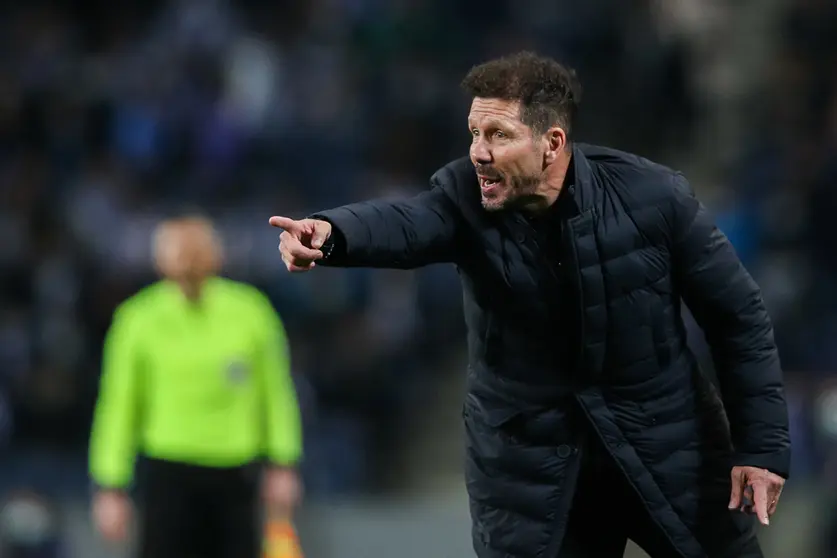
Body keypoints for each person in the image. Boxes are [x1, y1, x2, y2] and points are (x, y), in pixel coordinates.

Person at [270, 52, 791, 558]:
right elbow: (405, 224)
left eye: (498, 135)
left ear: (552, 143)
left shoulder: (653, 197)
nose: (478, 151)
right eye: (475, 133)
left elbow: (737, 317)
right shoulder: (462, 196)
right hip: (531, 474)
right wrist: (331, 233)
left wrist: (762, 449)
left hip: (667, 447)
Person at [89, 215, 303, 558]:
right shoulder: (139, 319)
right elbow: (119, 406)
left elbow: (276, 393)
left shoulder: (249, 312)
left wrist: (283, 463)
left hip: (234, 470)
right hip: (168, 471)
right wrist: (110, 484)